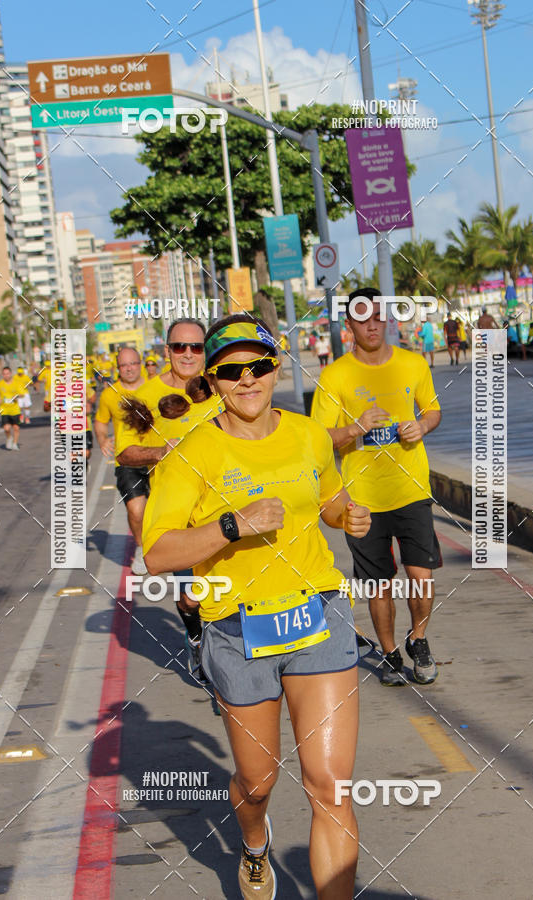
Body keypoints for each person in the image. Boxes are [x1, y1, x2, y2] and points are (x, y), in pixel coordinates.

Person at [143, 313, 370, 900]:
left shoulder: (308, 433)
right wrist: (231, 524)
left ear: (276, 367)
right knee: (258, 780)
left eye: (260, 366)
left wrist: (348, 515)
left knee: (330, 785)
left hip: (317, 612)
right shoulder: (190, 455)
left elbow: (328, 498)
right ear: (212, 380)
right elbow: (158, 553)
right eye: (230, 371)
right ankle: (252, 842)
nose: (248, 380)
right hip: (236, 629)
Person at [311, 288, 442, 687]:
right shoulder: (336, 375)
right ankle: (388, 655)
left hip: (411, 490)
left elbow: (433, 409)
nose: (372, 324)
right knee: (379, 583)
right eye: (362, 318)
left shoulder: (413, 363)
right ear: (348, 326)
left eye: (378, 317)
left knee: (421, 575)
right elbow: (317, 438)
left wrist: (422, 425)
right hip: (362, 499)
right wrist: (356, 428)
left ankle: (418, 640)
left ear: (387, 319)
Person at [116, 318, 223, 669]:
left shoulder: (221, 389)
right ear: (167, 351)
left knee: (230, 595)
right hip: (178, 518)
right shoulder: (144, 397)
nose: (189, 354)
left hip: (226, 506)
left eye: (196, 347)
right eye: (180, 347)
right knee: (193, 597)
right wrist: (160, 451)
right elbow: (125, 451)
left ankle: (230, 669)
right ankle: (195, 637)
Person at [94, 347, 147, 574]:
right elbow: (99, 420)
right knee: (136, 510)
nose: (129, 369)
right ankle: (142, 549)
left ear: (140, 363)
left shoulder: (155, 387)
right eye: (124, 365)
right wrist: (103, 438)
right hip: (127, 461)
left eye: (133, 363)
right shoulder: (109, 394)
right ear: (118, 368)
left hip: (160, 458)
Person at [0, 367, 22, 450]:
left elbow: (22, 394)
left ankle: (15, 444)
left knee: (16, 428)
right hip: (4, 409)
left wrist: (17, 396)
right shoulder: (0, 384)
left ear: (11, 373)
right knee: (6, 428)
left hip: (15, 409)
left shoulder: (16, 383)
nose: (6, 375)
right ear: (2, 375)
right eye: (4, 374)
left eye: (7, 373)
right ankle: (9, 438)